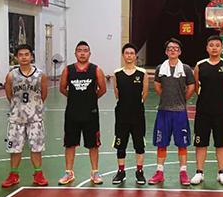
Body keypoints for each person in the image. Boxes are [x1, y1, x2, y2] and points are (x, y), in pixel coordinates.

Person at [58, 41, 107, 185]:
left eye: (85, 51)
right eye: (79, 50)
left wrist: (90, 99)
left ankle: (95, 172)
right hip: (72, 113)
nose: (82, 53)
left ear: (89, 54)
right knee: (70, 144)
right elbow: (62, 88)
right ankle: (69, 172)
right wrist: (75, 98)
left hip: (91, 113)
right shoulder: (68, 70)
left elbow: (102, 89)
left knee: (93, 144)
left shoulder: (96, 70)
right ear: (75, 53)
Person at [190, 35, 223, 186]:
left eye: (217, 45)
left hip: (221, 110)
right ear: (207, 48)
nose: (214, 48)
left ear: (222, 48)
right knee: (200, 142)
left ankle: (221, 172)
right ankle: (199, 172)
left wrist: (220, 98)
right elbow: (196, 87)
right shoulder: (200, 65)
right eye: (211, 45)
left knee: (221, 142)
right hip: (203, 110)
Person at [149, 38, 195, 186]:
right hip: (163, 111)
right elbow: (157, 86)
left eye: (175, 48)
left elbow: (191, 87)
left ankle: (183, 173)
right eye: (170, 48)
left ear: (180, 52)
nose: (172, 50)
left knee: (182, 143)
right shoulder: (160, 68)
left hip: (180, 112)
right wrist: (166, 98)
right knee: (161, 143)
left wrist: (181, 100)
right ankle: (159, 172)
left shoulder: (186, 69)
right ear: (166, 51)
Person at [1, 44, 49, 188]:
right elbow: (9, 95)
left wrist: (33, 108)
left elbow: (44, 94)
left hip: (35, 118)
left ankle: (38, 174)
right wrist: (19, 108)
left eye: (26, 54)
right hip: (16, 117)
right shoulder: (11, 75)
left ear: (31, 56)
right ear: (16, 58)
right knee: (15, 148)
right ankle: (13, 174)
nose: (24, 57)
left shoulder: (40, 75)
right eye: (20, 55)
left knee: (36, 147)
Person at [112, 43, 149, 185]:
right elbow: (117, 94)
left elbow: (144, 94)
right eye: (126, 53)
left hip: (137, 114)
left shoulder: (142, 73)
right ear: (123, 55)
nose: (129, 55)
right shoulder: (117, 74)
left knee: (139, 144)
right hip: (122, 114)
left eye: (131, 53)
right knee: (121, 144)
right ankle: (121, 171)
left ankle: (139, 171)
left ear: (135, 56)